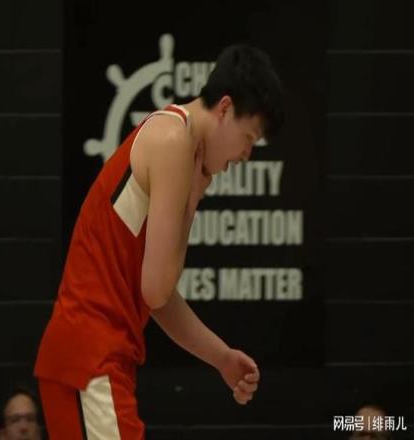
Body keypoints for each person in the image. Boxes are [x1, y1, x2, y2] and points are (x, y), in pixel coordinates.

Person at [34, 43, 284, 439]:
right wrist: (192, 203)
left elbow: (158, 297)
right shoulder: (173, 141)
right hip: (92, 358)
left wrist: (220, 357)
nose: (246, 155)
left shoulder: (174, 138)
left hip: (90, 357)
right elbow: (156, 289)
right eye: (248, 137)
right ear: (224, 109)